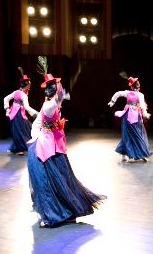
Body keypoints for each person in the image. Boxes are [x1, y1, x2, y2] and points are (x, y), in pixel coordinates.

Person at [27, 56, 106, 228]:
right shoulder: (50, 105)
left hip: (52, 145)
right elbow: (40, 120)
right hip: (48, 144)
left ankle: (61, 213)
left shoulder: (51, 103)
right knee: (56, 180)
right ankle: (64, 212)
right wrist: (34, 137)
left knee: (56, 180)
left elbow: (61, 98)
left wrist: (56, 86)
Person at [108, 75, 152, 162]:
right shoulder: (139, 94)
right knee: (136, 135)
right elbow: (142, 106)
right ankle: (135, 154)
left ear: (131, 86)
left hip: (131, 116)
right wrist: (145, 114)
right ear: (137, 86)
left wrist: (112, 101)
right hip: (130, 116)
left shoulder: (130, 93)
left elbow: (117, 93)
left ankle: (134, 154)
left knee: (128, 135)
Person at [3, 67, 38, 155]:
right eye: (29, 84)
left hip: (13, 114)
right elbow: (26, 107)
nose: (30, 85)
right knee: (24, 130)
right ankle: (22, 148)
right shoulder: (23, 95)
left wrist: (7, 108)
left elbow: (6, 98)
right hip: (18, 114)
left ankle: (18, 148)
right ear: (26, 85)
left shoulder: (17, 92)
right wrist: (36, 113)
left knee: (19, 131)